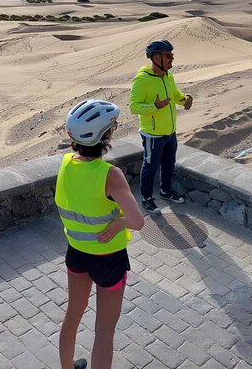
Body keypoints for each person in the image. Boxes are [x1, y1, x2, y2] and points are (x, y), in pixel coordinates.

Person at [56, 100, 145, 369]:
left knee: (72, 315)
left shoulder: (66, 162)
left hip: (77, 254)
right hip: (109, 260)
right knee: (104, 332)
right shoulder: (111, 175)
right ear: (105, 137)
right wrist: (118, 224)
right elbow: (138, 222)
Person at [129, 39, 193, 214]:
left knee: (168, 163)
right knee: (150, 165)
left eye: (172, 55)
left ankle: (165, 191)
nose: (172, 58)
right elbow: (133, 107)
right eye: (168, 55)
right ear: (156, 57)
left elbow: (174, 95)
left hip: (170, 132)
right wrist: (154, 107)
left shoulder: (168, 76)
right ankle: (147, 198)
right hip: (152, 134)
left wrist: (186, 98)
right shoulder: (142, 80)